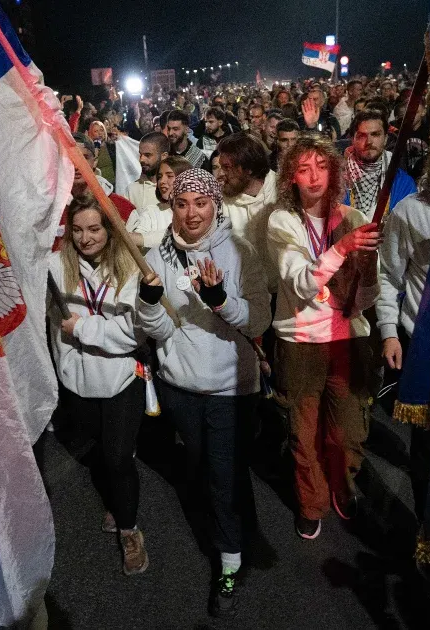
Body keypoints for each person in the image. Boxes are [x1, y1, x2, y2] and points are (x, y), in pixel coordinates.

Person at [137, 168, 270, 617]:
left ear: (215, 204)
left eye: (200, 202)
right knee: (200, 466)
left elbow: (258, 322)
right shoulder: (157, 257)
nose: (191, 212)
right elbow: (157, 330)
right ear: (171, 207)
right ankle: (230, 521)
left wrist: (219, 299)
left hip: (231, 387)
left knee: (223, 474)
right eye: (181, 203)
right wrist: (149, 304)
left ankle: (230, 560)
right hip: (180, 387)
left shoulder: (241, 251)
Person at [267, 135, 380, 539]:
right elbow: (299, 283)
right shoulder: (282, 221)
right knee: (303, 431)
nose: (313, 176)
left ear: (334, 170)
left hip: (348, 339)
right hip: (300, 343)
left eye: (321, 165)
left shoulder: (353, 215)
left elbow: (368, 296)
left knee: (349, 432)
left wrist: (366, 269)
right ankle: (310, 501)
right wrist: (342, 249)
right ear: (290, 178)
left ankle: (343, 482)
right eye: (303, 168)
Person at [48, 195, 152, 575]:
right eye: (77, 230)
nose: (85, 238)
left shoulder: (131, 269)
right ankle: (115, 494)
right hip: (77, 379)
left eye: (94, 229)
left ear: (110, 230)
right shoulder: (57, 266)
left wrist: (84, 328)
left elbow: (133, 333)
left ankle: (129, 529)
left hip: (123, 376)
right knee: (99, 449)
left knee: (118, 457)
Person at [376, 126, 430, 515]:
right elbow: (390, 275)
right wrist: (389, 333)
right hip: (423, 340)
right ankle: (429, 530)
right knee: (425, 442)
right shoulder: (413, 210)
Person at [218, 132, 279, 258]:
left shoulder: (281, 191)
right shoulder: (221, 202)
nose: (220, 173)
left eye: (226, 167)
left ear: (249, 168)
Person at [126, 156, 191, 250]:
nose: (162, 181)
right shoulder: (152, 212)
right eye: (160, 177)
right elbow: (136, 239)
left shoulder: (197, 210)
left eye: (169, 176)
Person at [343, 109, 392, 222]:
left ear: (385, 139)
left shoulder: (403, 182)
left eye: (375, 134)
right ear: (352, 140)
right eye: (362, 135)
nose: (369, 141)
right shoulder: (337, 180)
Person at [128, 132, 168, 211]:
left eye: (147, 155)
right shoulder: (131, 190)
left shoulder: (175, 188)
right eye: (140, 154)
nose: (141, 159)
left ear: (164, 156)